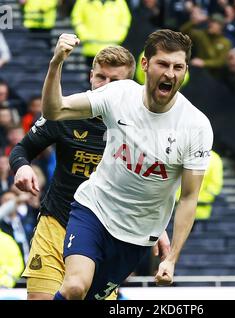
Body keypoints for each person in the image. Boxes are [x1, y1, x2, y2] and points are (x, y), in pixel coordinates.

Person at [42, 30, 213, 300]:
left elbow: (189, 198)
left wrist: (171, 260)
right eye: (163, 64)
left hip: (137, 235)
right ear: (145, 65)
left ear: (185, 70)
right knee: (75, 287)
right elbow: (54, 111)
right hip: (94, 209)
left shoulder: (196, 126)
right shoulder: (120, 94)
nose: (170, 73)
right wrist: (56, 63)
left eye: (178, 67)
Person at [10, 45, 170, 300]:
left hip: (103, 232)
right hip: (56, 222)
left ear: (129, 83)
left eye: (115, 81)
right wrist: (23, 166)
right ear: (91, 76)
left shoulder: (142, 126)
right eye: (101, 77)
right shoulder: (67, 111)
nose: (105, 85)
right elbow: (22, 149)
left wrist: (157, 225)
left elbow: (149, 182)